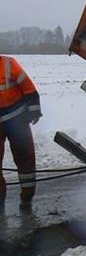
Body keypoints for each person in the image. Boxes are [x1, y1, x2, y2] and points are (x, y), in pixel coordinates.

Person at [0, 55, 42, 206]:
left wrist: (34, 111)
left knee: (25, 159)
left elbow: (28, 88)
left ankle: (27, 197)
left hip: (17, 120)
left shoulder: (8, 64)